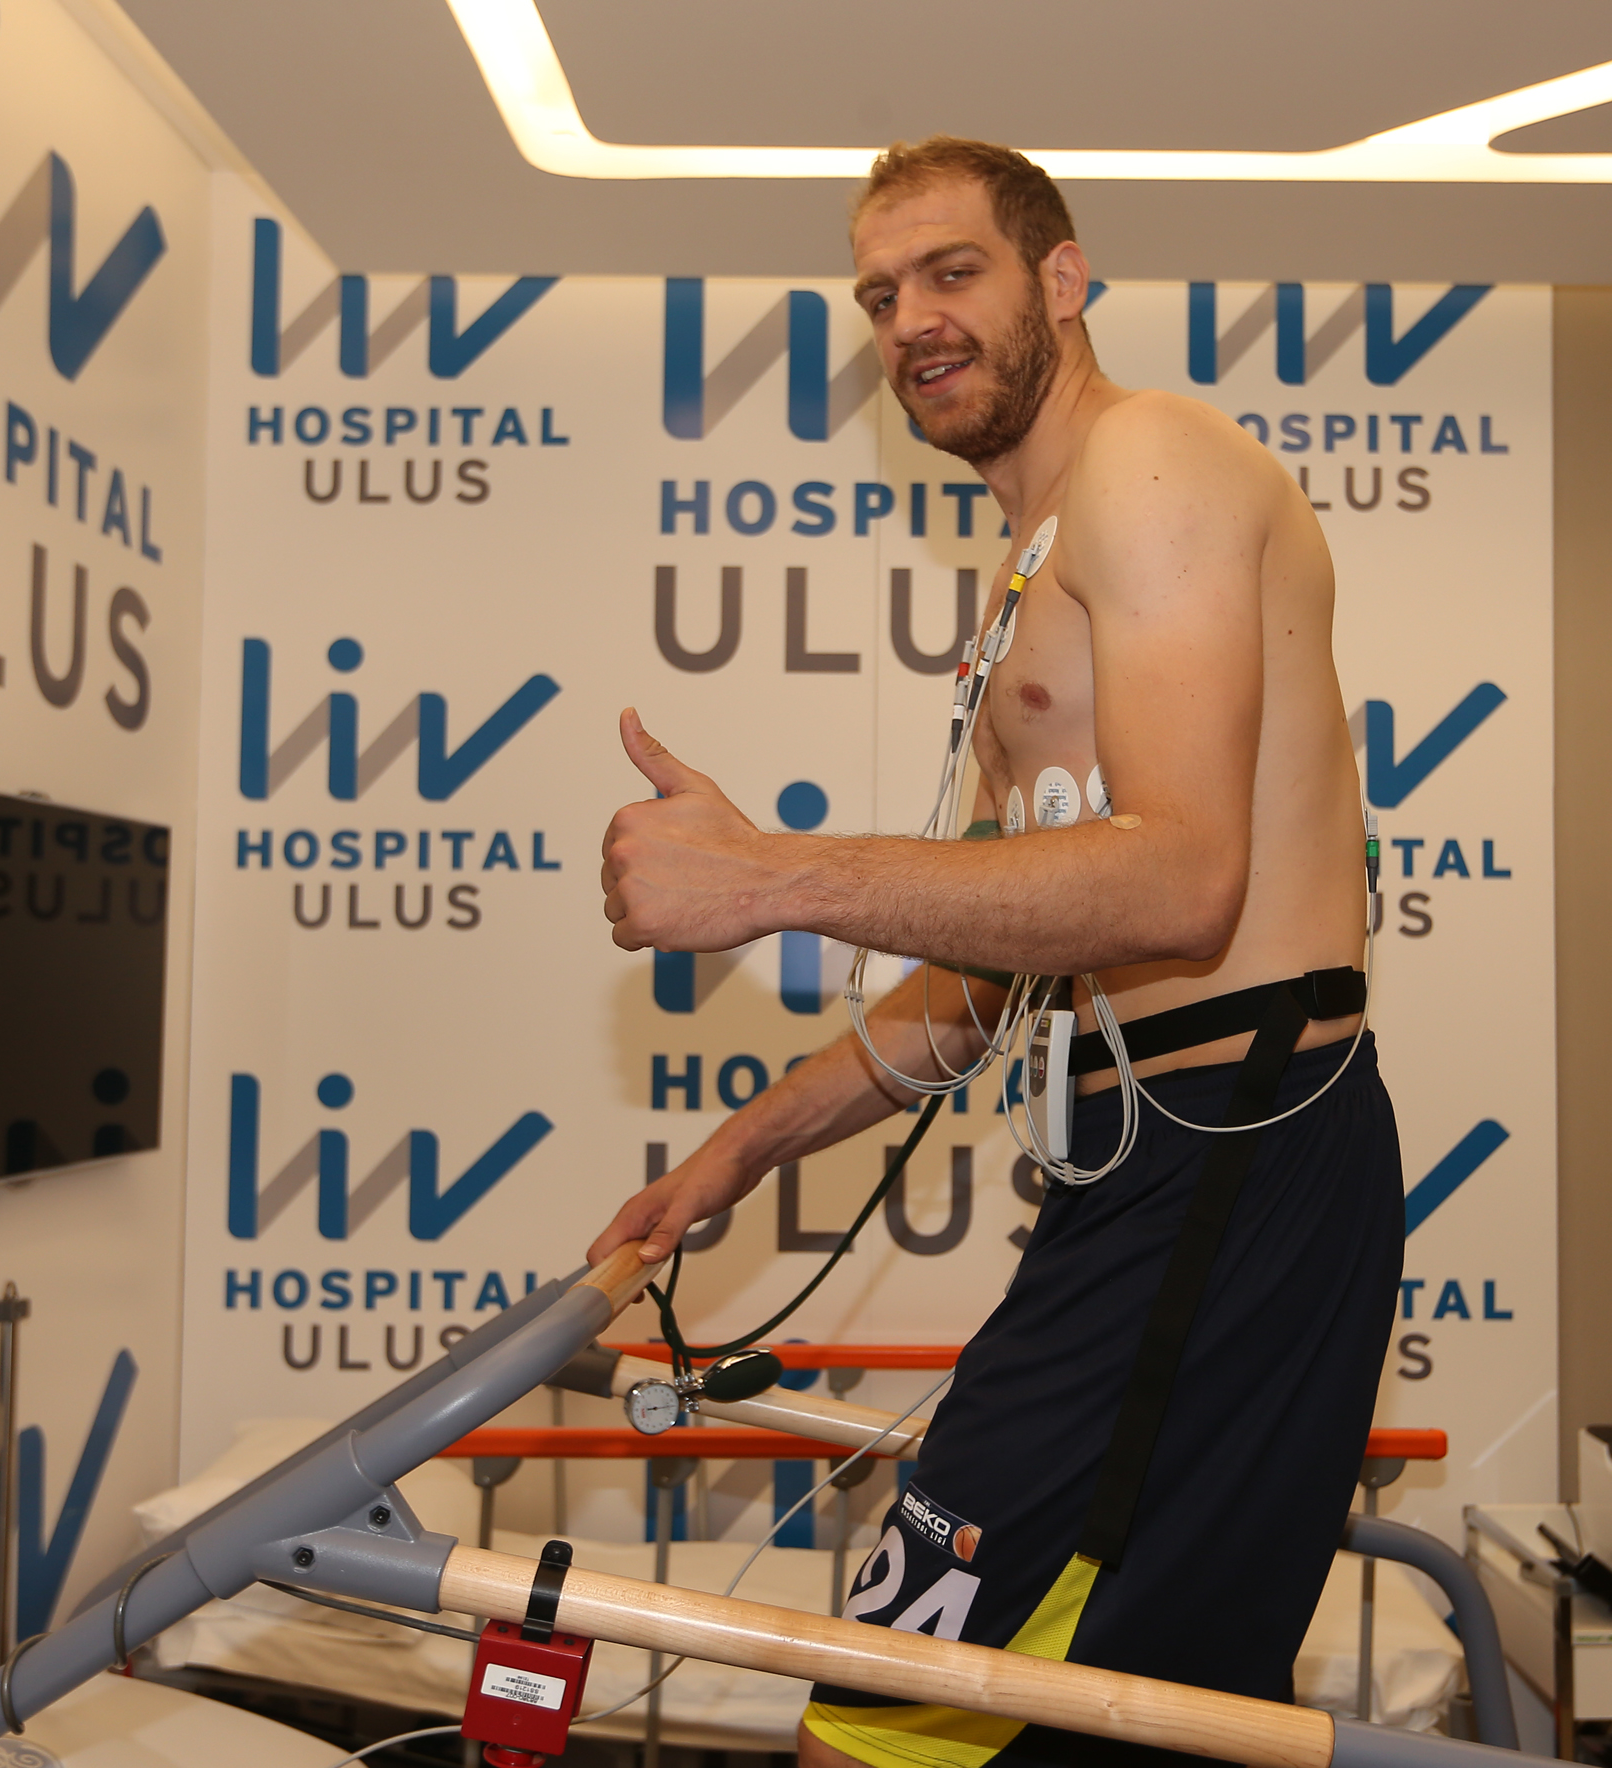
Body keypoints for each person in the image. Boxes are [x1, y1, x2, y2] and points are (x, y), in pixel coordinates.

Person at [589, 137, 1403, 1768]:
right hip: (1157, 1166)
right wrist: (743, 1151)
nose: (911, 321)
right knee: (1093, 1723)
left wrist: (770, 879)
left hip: (1237, 1157)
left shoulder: (1149, 463)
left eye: (950, 273)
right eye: (879, 296)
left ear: (1062, 278)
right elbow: (984, 982)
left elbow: (1180, 884)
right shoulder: (1030, 564)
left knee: (892, 1725)